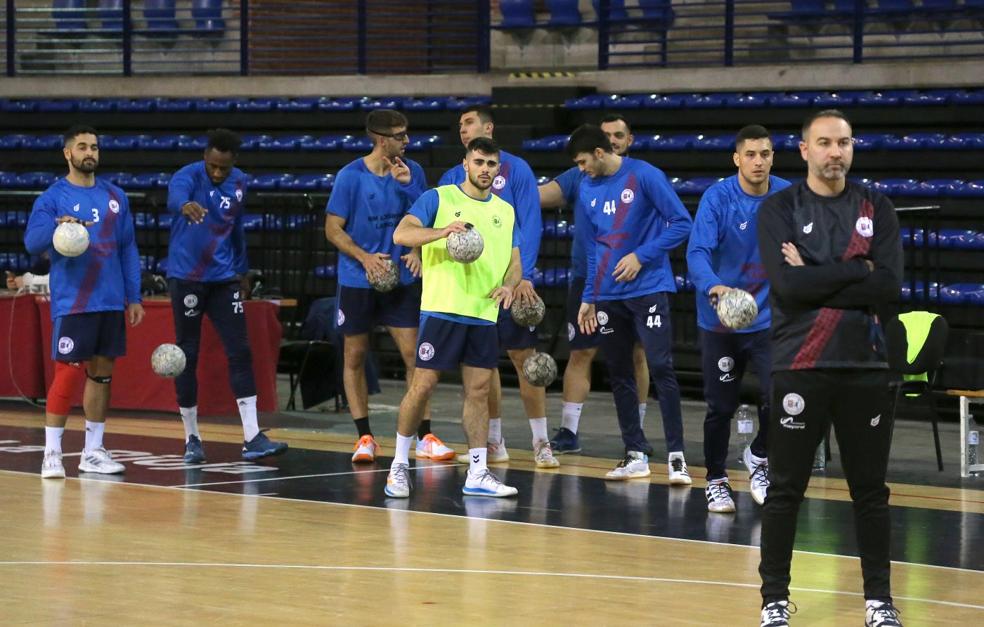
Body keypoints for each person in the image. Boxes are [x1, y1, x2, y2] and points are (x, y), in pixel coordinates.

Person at [756, 110, 903, 627]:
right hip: (800, 363)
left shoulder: (876, 207)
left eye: (843, 142)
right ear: (804, 150)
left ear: (852, 147)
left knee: (871, 492)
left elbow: (888, 286)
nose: (835, 152)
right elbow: (787, 288)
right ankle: (774, 602)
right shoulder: (780, 208)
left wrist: (815, 274)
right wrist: (857, 270)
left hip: (866, 364)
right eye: (824, 142)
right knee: (785, 490)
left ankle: (878, 603)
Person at [384, 137, 522, 499]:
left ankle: (477, 472)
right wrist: (442, 232)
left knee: (478, 392)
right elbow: (401, 233)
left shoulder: (505, 211)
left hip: (483, 313)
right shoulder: (439, 198)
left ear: (498, 169)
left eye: (491, 164)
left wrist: (510, 285)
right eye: (479, 162)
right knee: (423, 386)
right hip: (442, 309)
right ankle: (398, 464)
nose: (485, 170)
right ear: (466, 164)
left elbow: (515, 261)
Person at [325, 109, 454, 464]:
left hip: (402, 279)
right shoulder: (350, 177)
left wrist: (416, 250)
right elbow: (332, 229)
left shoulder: (414, 171)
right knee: (354, 355)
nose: (407, 141)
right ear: (382, 140)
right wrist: (365, 258)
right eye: (400, 136)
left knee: (416, 356)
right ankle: (364, 437)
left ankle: (424, 436)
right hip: (358, 279)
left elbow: (428, 216)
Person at [569, 124, 694, 483]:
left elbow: (681, 223)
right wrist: (589, 296)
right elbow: (593, 247)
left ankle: (676, 457)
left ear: (599, 152)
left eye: (583, 162)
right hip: (608, 295)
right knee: (620, 372)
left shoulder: (644, 175)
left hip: (648, 289)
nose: (581, 170)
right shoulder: (587, 187)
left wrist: (641, 255)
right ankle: (634, 453)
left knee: (661, 367)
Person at [438, 105, 558, 468]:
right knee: (482, 365)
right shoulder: (450, 176)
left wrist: (525, 276)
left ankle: (541, 442)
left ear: (488, 128)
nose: (462, 128)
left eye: (469, 122)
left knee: (524, 359)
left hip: (512, 279)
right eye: (459, 124)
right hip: (474, 288)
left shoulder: (516, 169)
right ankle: (494, 442)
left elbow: (530, 222)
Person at [25, 125, 145, 478]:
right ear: (68, 153)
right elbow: (32, 243)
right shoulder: (52, 198)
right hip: (75, 301)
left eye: (94, 147)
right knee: (67, 373)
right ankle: (51, 454)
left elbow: (128, 248)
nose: (89, 152)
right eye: (82, 147)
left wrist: (134, 297)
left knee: (102, 375)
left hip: (110, 300)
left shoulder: (115, 196)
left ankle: (92, 452)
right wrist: (57, 225)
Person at [686, 124, 791, 514]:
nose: (758, 161)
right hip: (721, 318)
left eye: (765, 154)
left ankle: (759, 457)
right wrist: (714, 287)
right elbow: (697, 252)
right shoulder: (718, 198)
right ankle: (716, 479)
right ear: (737, 159)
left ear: (773, 158)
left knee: (781, 397)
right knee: (721, 407)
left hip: (766, 319)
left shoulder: (786, 196)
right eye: (750, 154)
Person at [166, 128, 288, 463]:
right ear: (205, 156)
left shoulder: (239, 181)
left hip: (223, 278)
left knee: (240, 350)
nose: (218, 173)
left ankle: (252, 436)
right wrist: (185, 205)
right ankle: (192, 438)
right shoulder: (187, 176)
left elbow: (236, 228)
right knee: (187, 355)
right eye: (213, 166)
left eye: (224, 167)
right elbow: (175, 197)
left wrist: (242, 271)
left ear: (234, 163)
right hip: (187, 279)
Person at [539, 114, 650, 454]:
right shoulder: (580, 174)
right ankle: (568, 431)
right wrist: (502, 185)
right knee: (581, 352)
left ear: (629, 139)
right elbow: (540, 195)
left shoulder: (641, 176)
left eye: (618, 134)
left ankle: (637, 433)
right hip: (587, 277)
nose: (612, 140)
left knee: (637, 354)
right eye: (606, 135)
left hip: (630, 279)